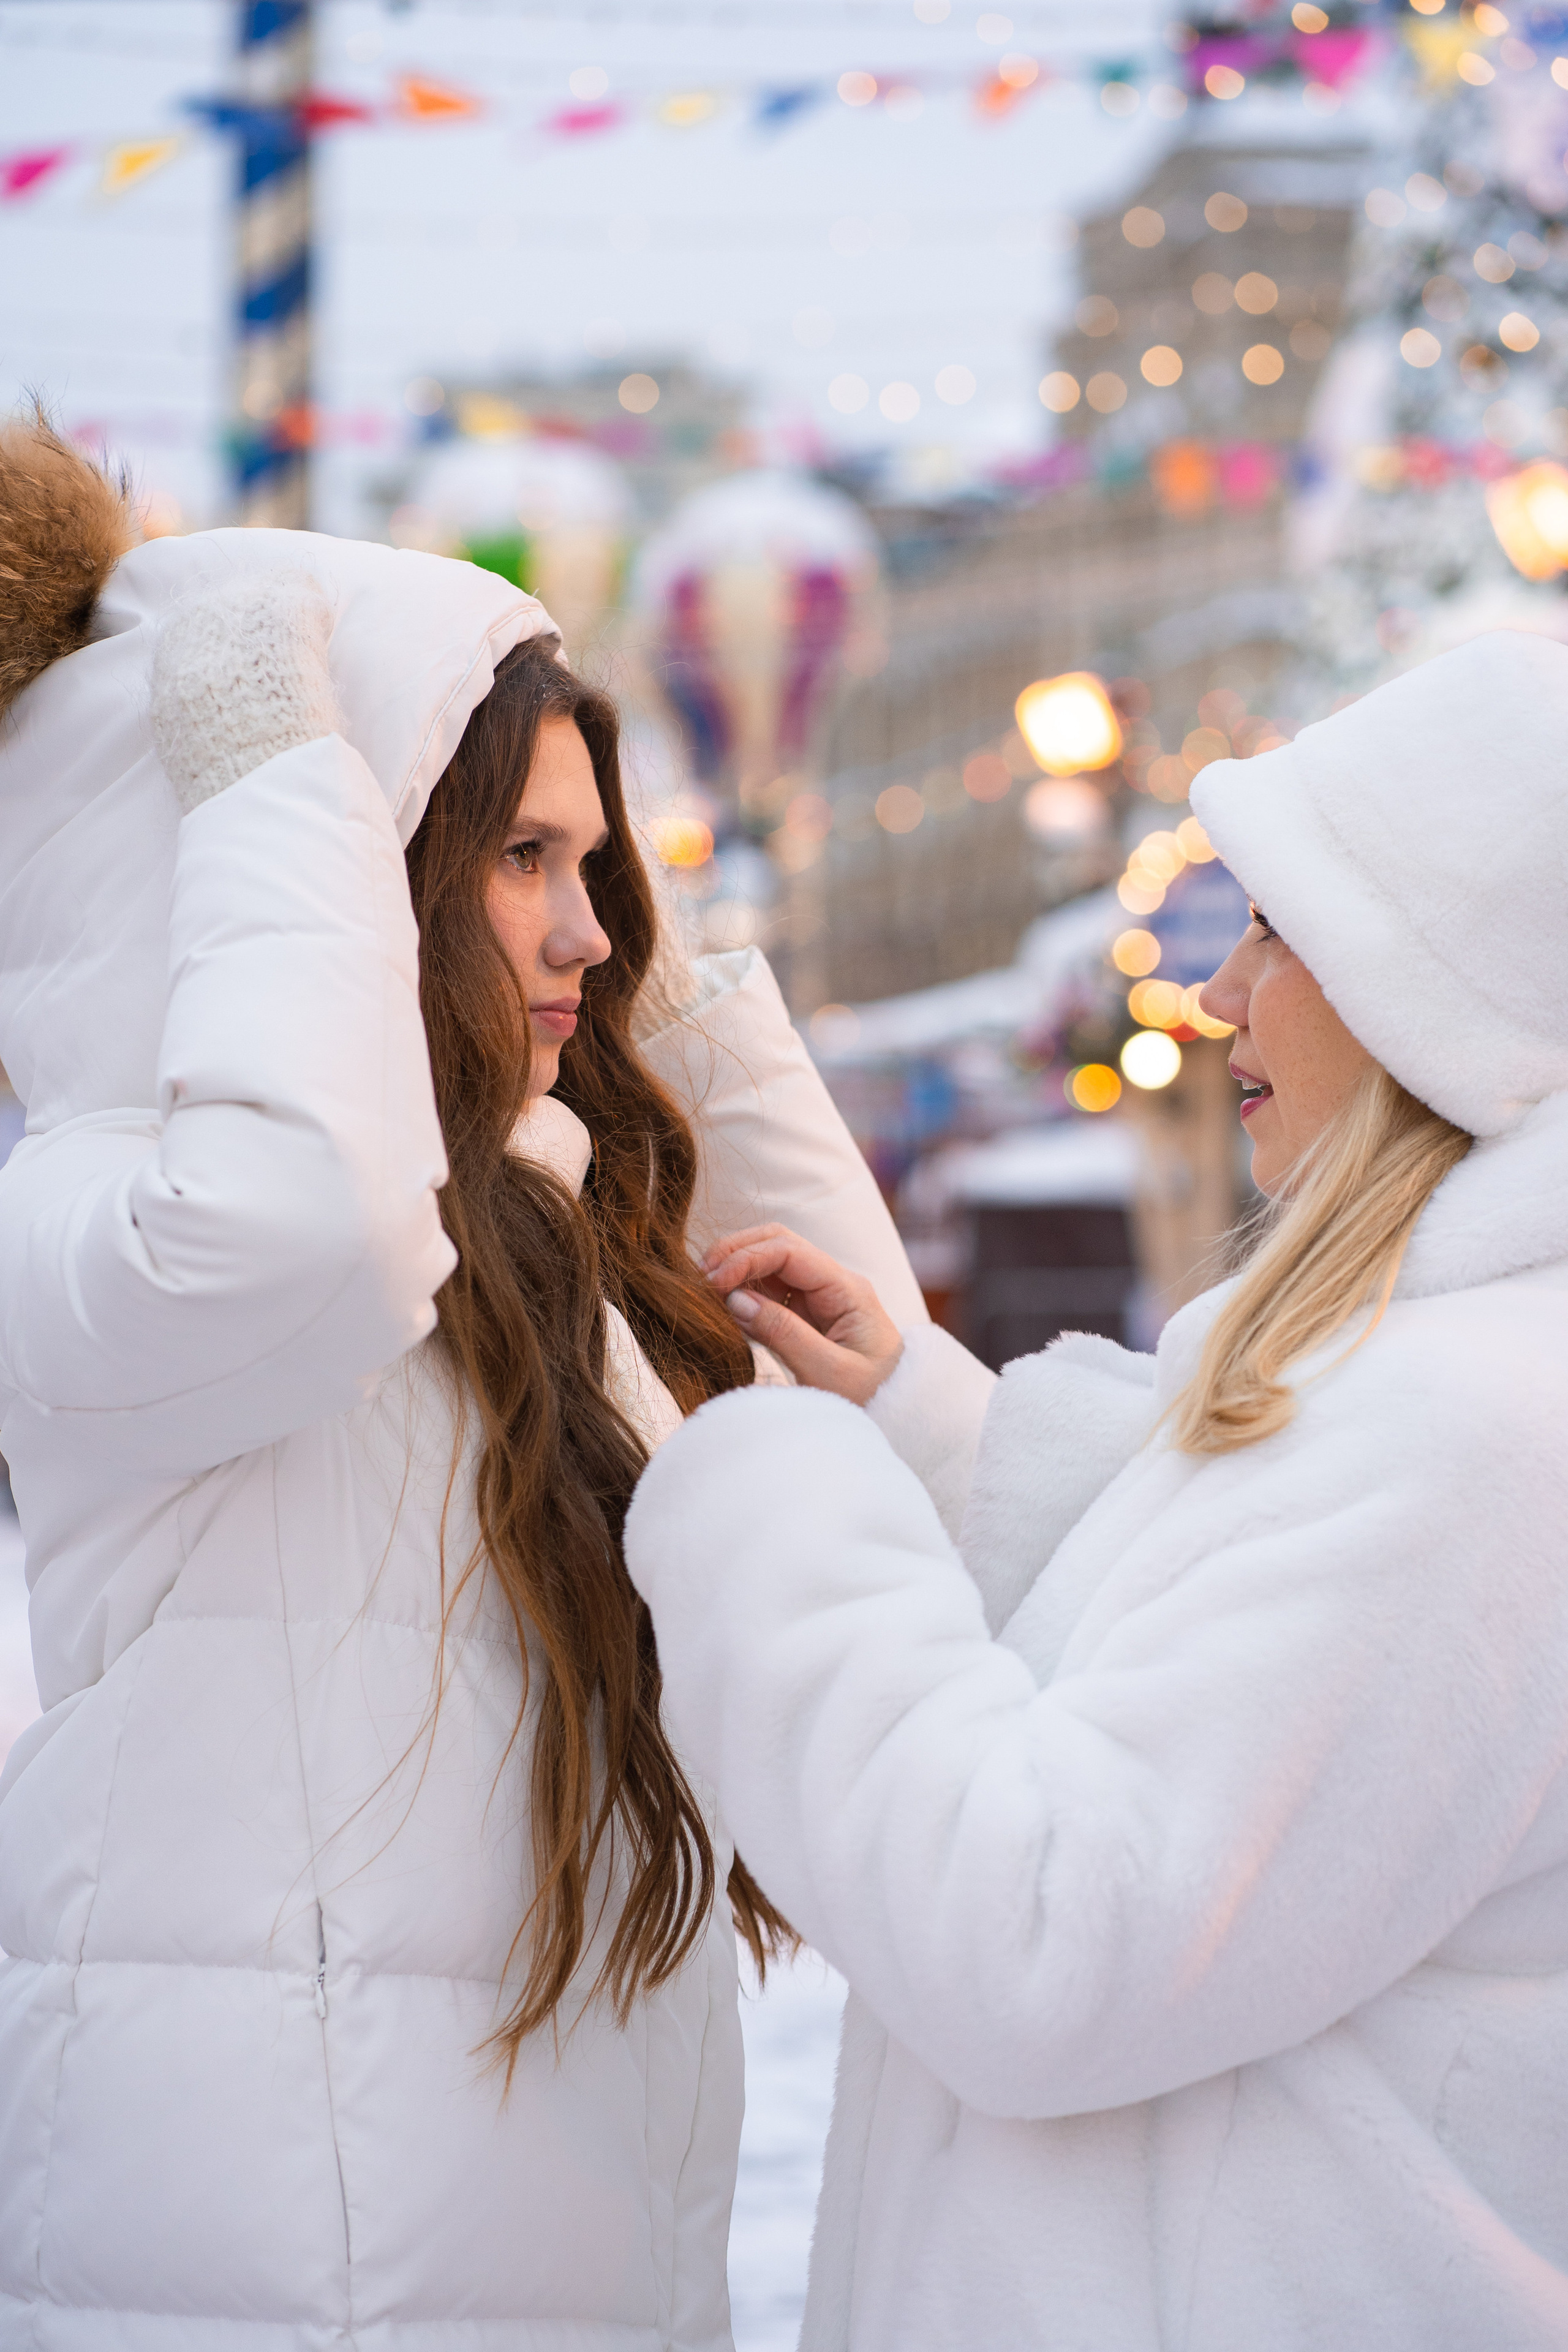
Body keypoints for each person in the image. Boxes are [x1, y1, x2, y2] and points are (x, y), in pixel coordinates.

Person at [0, 415, 925, 2349]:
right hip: (253, 2283)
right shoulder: (101, 1213)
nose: (592, 924)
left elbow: (858, 1375)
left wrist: (640, 999)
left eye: (599, 863)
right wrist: (270, 779)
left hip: (585, 2259)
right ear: (356, 869)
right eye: (519, 856)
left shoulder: (547, 1233)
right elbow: (305, 1226)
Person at [625, 628, 1568, 2351]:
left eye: (1281, 932)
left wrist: (767, 1492)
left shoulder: (1470, 1442)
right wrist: (919, 1429)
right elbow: (1226, 1706)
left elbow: (1046, 1938)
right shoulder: (1449, 1394)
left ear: (1430, 988)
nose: (1218, 997)